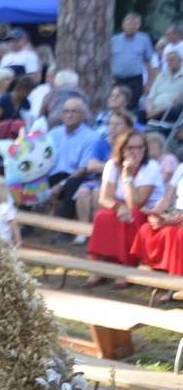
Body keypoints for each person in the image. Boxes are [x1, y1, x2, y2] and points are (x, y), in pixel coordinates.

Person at [85, 129, 163, 288]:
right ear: (122, 149)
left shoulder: (151, 167)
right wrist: (117, 206)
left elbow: (136, 203)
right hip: (122, 206)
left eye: (140, 147)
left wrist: (127, 175)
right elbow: (104, 197)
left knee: (132, 215)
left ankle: (127, 266)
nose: (136, 152)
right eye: (131, 148)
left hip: (149, 211)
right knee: (102, 216)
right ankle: (99, 265)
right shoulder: (112, 165)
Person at [75, 110, 138, 244]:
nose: (112, 127)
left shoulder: (131, 146)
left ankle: (99, 230)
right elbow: (91, 166)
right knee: (83, 191)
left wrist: (107, 166)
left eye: (117, 124)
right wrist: (112, 166)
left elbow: (127, 168)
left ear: (128, 127)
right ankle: (82, 231)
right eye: (110, 124)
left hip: (119, 183)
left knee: (98, 192)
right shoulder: (102, 143)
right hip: (98, 179)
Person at [131, 162, 183, 296]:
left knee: (176, 233)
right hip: (175, 212)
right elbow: (167, 198)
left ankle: (175, 283)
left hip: (179, 218)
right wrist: (154, 214)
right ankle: (158, 272)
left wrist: (175, 219)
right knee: (147, 229)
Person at [47, 98, 100, 225]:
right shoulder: (53, 133)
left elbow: (83, 170)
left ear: (83, 115)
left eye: (74, 111)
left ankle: (65, 225)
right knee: (29, 178)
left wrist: (62, 184)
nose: (69, 115)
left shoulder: (91, 137)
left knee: (73, 183)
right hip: (52, 175)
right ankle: (26, 224)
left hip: (75, 176)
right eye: (66, 111)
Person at [111, 12, 156, 111]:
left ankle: (130, 124)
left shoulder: (144, 39)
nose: (131, 26)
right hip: (118, 80)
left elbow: (149, 62)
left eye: (135, 24)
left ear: (138, 26)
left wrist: (149, 83)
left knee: (132, 106)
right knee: (117, 105)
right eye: (129, 24)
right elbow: (108, 61)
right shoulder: (114, 40)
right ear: (123, 25)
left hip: (135, 80)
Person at [144, 49, 183, 127]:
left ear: (180, 60)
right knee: (141, 113)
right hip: (154, 110)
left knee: (171, 112)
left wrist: (159, 111)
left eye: (172, 60)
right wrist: (149, 110)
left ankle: (161, 134)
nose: (169, 63)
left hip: (170, 109)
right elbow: (150, 97)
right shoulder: (161, 76)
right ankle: (139, 134)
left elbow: (178, 102)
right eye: (168, 61)